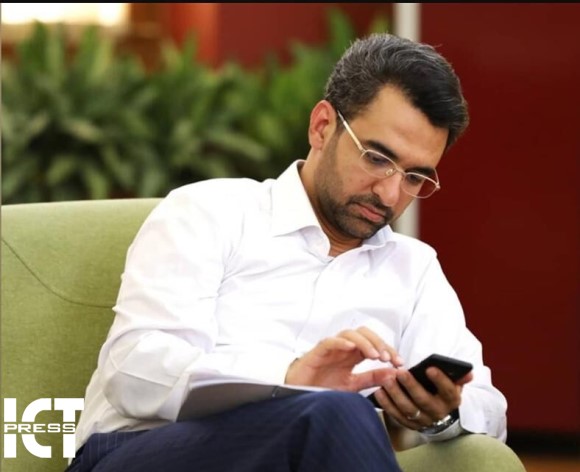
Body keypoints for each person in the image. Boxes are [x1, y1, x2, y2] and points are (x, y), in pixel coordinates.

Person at [68, 32, 507, 472]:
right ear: (322, 127)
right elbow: (134, 369)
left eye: (414, 178)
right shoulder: (210, 211)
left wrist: (441, 413)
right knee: (338, 413)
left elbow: (488, 408)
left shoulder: (414, 269)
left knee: (337, 419)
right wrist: (288, 377)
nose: (390, 194)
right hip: (143, 452)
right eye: (377, 158)